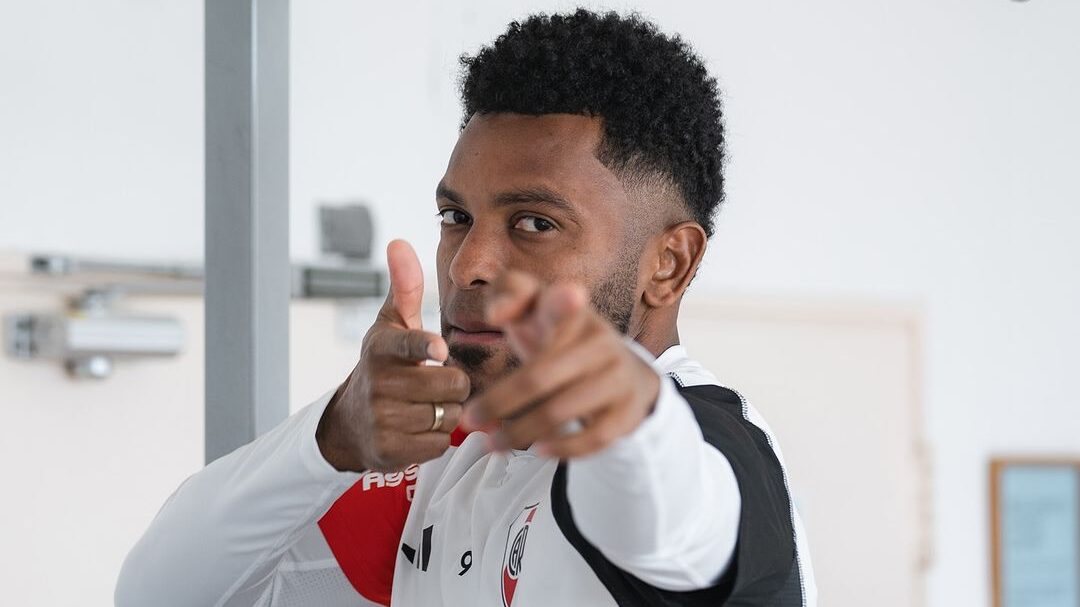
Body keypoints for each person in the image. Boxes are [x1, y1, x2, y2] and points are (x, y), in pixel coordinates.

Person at [116, 9, 815, 606]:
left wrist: (626, 412)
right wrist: (334, 437)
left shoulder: (710, 445)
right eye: (456, 214)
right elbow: (161, 593)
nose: (469, 262)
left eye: (535, 223)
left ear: (669, 264)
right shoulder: (450, 467)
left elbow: (674, 518)